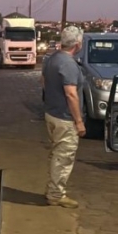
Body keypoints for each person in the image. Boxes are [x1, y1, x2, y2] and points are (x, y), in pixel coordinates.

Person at [41, 26, 86, 208]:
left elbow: (43, 81)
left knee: (56, 154)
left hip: (51, 113)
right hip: (64, 118)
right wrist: (79, 121)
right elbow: (71, 94)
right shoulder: (68, 64)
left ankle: (52, 188)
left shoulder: (52, 58)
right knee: (64, 157)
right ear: (77, 44)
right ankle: (56, 194)